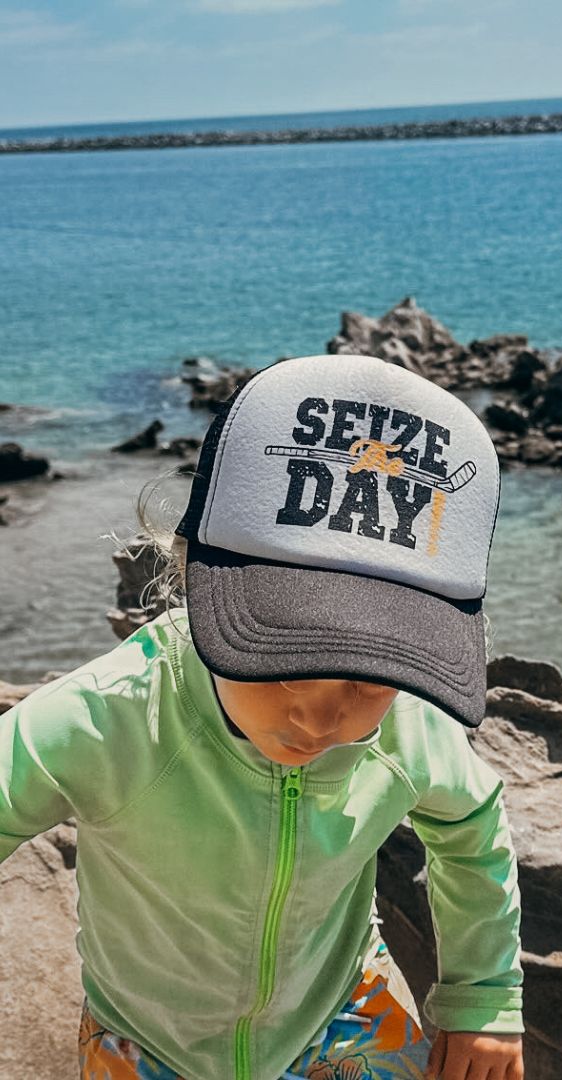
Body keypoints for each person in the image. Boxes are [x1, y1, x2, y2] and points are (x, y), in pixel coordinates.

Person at [0, 354, 525, 1080]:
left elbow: (473, 825)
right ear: (188, 573)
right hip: (145, 1041)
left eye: (373, 677)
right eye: (283, 657)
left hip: (342, 1012)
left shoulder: (404, 729)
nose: (321, 714)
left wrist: (483, 997)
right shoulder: (115, 713)